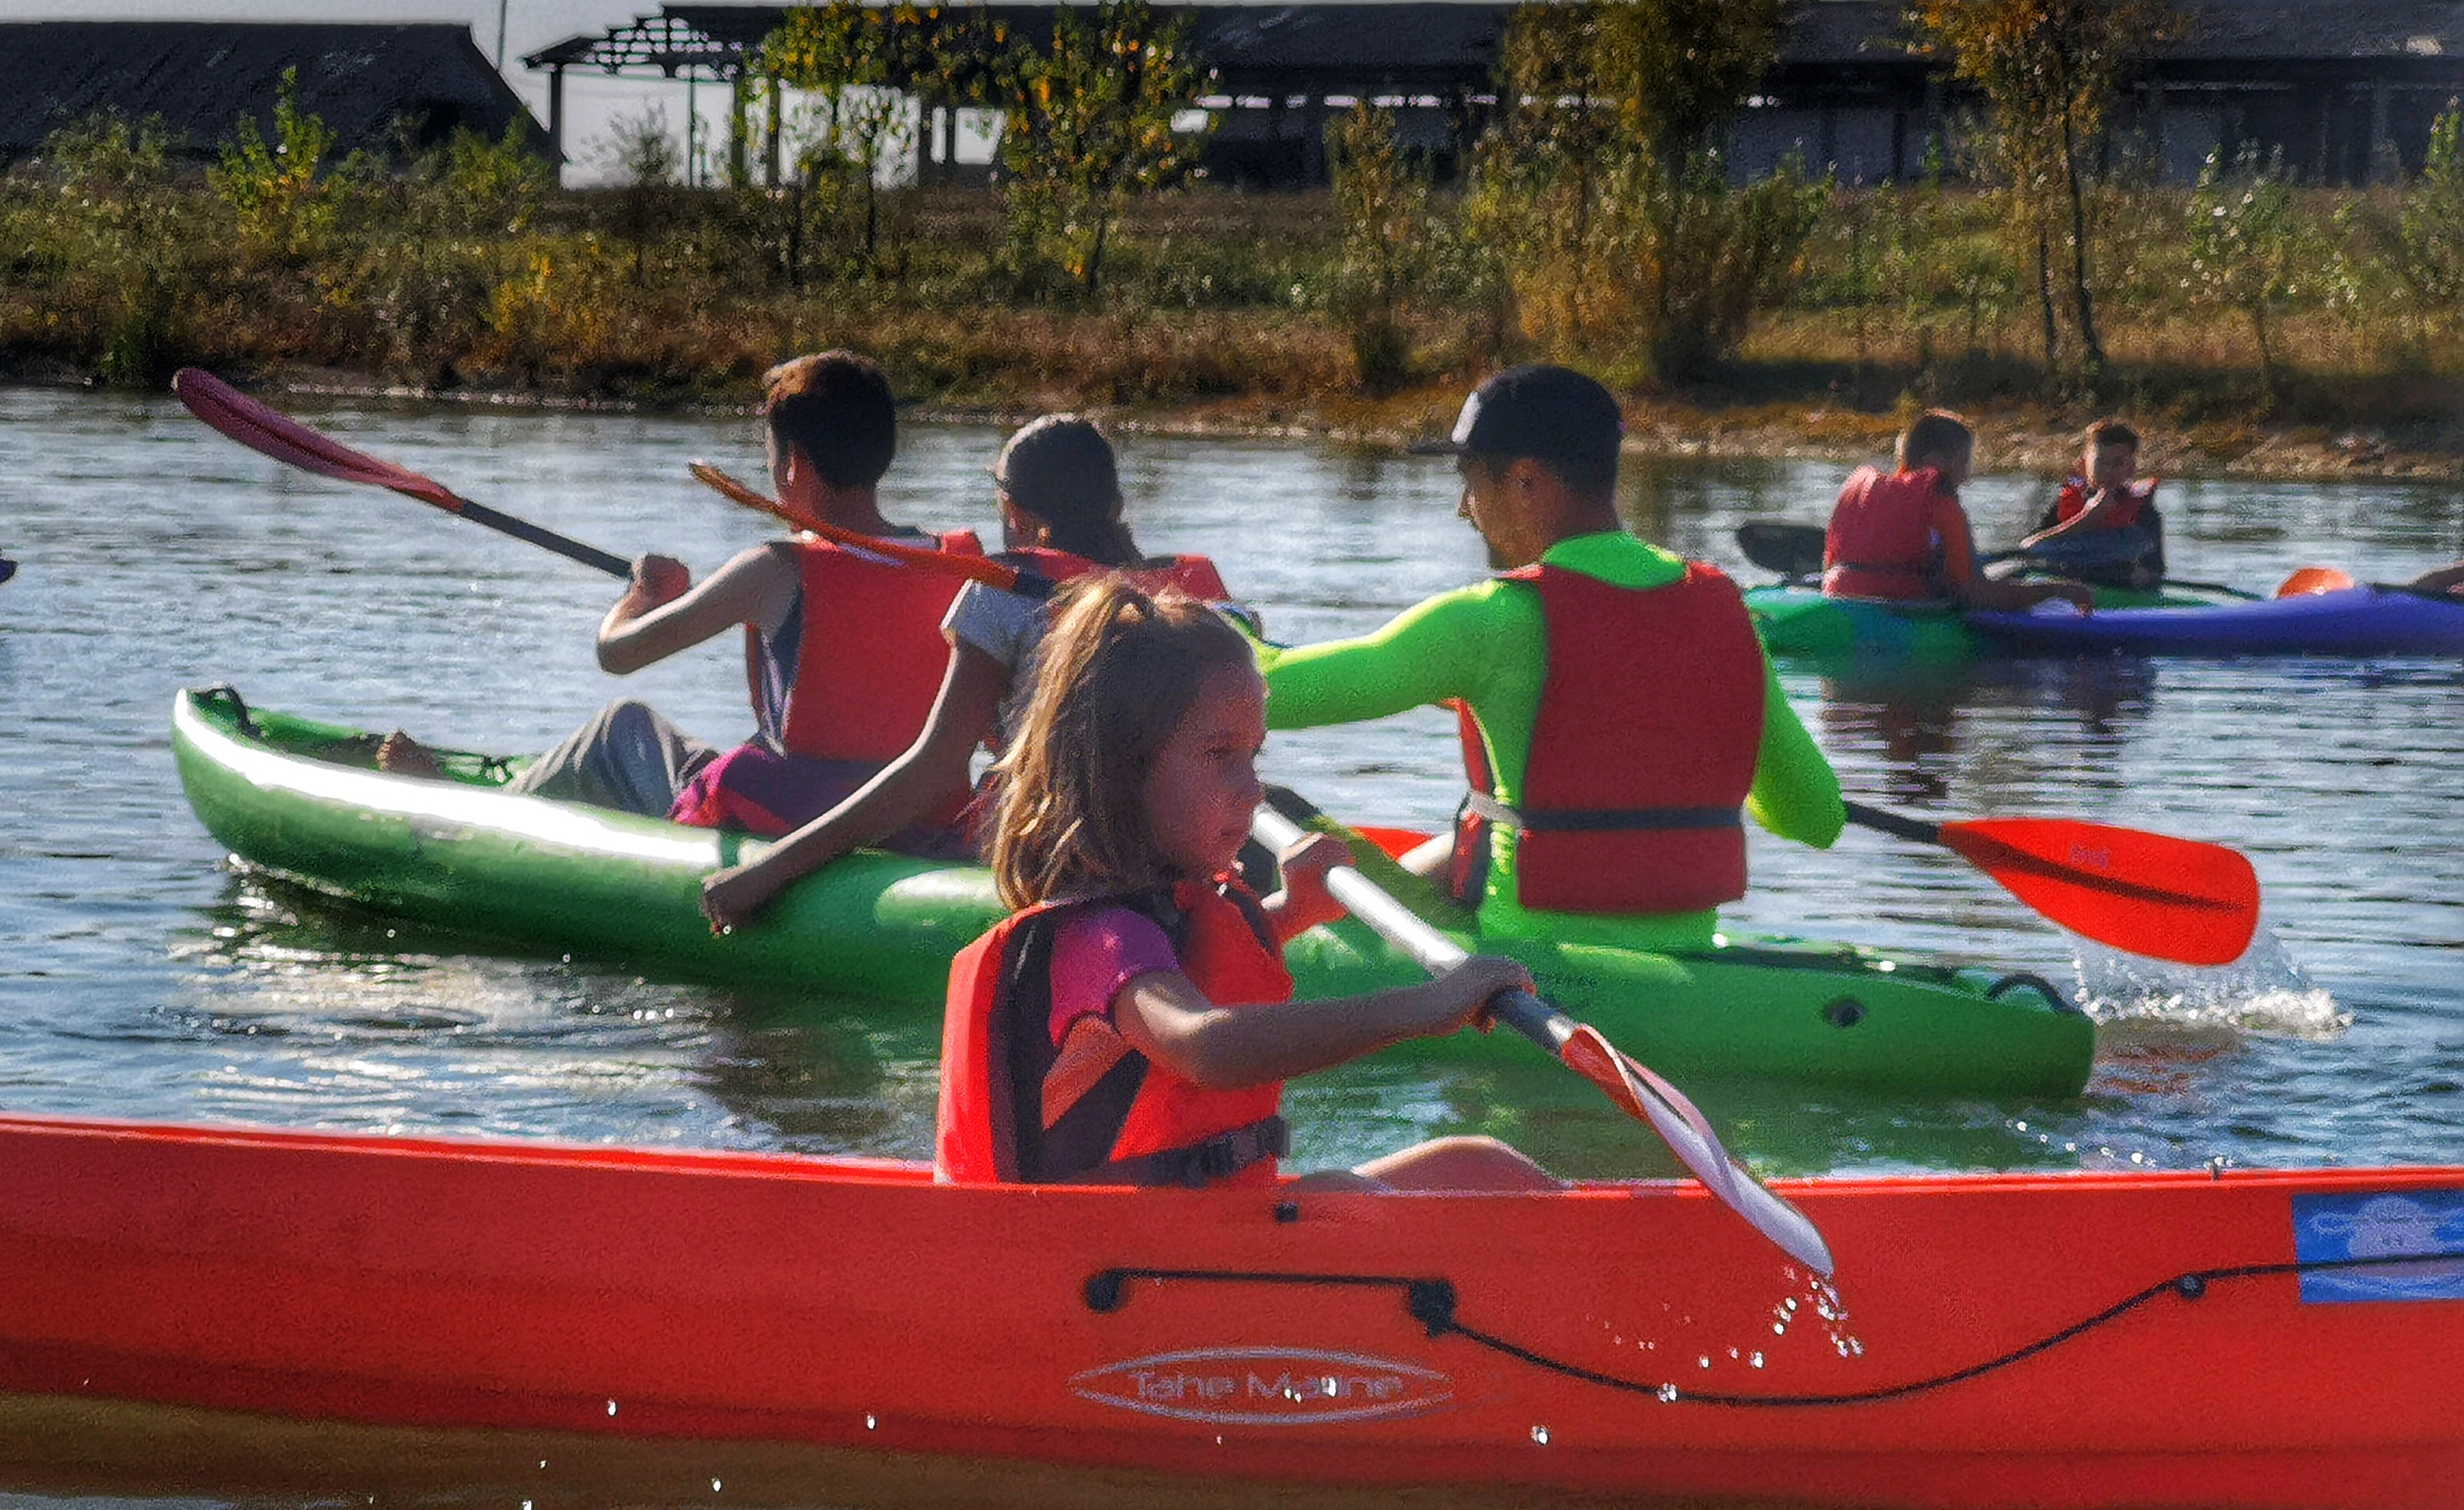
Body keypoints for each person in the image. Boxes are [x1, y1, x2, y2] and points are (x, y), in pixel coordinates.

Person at [936, 573, 1558, 1193]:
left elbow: (1195, 962)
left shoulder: (1160, 916)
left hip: (1199, 1234)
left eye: (1253, 755)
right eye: (1219, 756)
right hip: (1120, 1258)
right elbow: (1205, 1047)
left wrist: (1292, 911)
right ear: (1122, 770)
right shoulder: (1102, 942)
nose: (1253, 790)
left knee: (1476, 1163)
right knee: (1358, 1198)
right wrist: (1423, 1008)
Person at [1255, 364, 1838, 954]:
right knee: (1466, 831)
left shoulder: (1489, 619)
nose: (1464, 508)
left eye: (1472, 481)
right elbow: (1815, 818)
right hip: (1679, 955)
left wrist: (1211, 624)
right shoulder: (1725, 611)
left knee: (1263, 806)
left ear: (1527, 481)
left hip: (1516, 960)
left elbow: (1269, 696)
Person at [380, 350, 971, 836]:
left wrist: (640, 596)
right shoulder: (963, 564)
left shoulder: (771, 570)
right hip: (915, 818)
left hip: (793, 821)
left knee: (621, 728)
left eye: (768, 456)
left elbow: (617, 653)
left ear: (793, 467)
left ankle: (456, 825)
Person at [699, 414, 1240, 929]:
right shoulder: (1198, 604)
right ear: (1117, 504)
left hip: (1045, 856)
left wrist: (767, 874)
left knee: (744, 779)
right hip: (1183, 843)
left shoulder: (1002, 594)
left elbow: (932, 769)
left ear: (1015, 514)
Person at [1821, 411, 2092, 614]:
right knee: (2016, 573)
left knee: (2006, 570)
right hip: (1902, 608)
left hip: (1838, 593)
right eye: (1964, 462)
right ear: (1937, 462)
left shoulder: (1860, 490)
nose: (1967, 477)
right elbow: (1975, 595)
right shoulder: (1940, 502)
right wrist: (2058, 590)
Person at [2013, 417, 2164, 589]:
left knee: (2134, 539)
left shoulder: (2144, 511)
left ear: (2131, 467)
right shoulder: (2065, 501)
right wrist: (2087, 518)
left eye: (2117, 464)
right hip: (2068, 582)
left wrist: (2148, 575)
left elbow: (2156, 569)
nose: (2108, 471)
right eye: (2101, 462)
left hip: (2119, 586)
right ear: (2084, 464)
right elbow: (2030, 547)